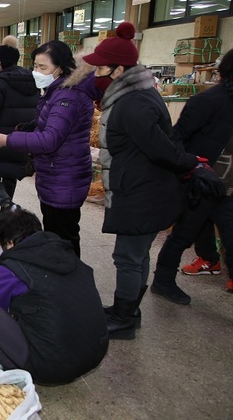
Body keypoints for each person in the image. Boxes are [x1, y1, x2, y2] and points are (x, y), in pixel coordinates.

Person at [82, 22, 199, 339]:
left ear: (119, 71)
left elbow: (161, 147)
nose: (96, 75)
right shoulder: (136, 96)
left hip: (142, 192)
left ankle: (123, 318)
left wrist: (192, 165)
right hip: (141, 187)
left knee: (128, 257)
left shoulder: (133, 103)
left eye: (101, 69)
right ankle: (129, 311)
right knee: (136, 255)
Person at [0, 40, 96, 258]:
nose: (36, 72)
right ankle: (58, 277)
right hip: (56, 174)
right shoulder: (56, 91)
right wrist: (31, 126)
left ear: (60, 68)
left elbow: (50, 140)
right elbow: (53, 126)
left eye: (43, 67)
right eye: (35, 66)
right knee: (57, 233)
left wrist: (7, 140)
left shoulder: (68, 97)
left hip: (64, 176)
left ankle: (67, 281)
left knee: (63, 237)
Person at [0, 206, 108, 385]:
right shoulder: (66, 252)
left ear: (10, 242)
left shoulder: (14, 266)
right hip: (94, 354)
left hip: (52, 367)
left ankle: (17, 373)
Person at [152, 48, 233, 301]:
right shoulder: (208, 101)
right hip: (203, 182)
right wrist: (193, 168)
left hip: (228, 188)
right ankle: (163, 281)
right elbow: (176, 139)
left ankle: (210, 261)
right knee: (183, 235)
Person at [0, 36, 40, 213]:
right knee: (10, 172)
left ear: (1, 62)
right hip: (20, 136)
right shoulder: (32, 80)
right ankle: (6, 207)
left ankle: (6, 204)